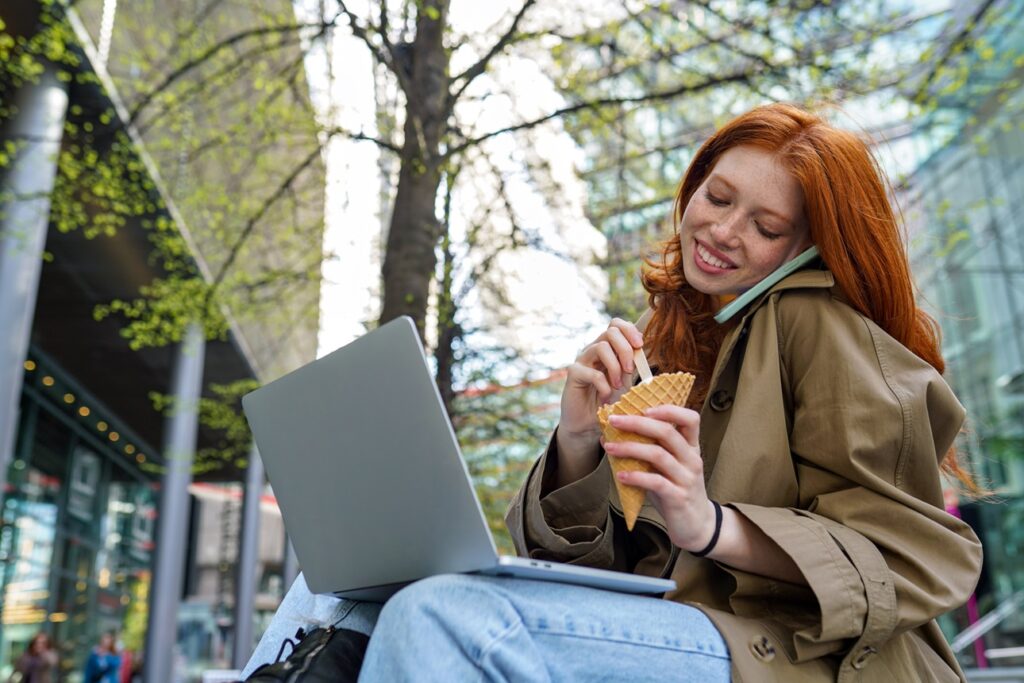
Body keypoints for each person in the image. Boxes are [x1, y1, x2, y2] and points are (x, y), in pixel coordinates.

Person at [243, 103, 983, 682]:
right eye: (717, 197)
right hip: (687, 629)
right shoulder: (673, 338)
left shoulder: (820, 326)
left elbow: (916, 558)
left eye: (764, 225)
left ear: (808, 248)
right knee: (334, 588)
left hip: (793, 659)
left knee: (449, 615)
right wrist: (576, 441)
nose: (722, 230)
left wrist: (711, 523)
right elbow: (606, 573)